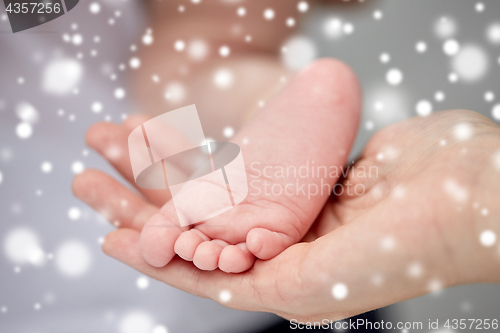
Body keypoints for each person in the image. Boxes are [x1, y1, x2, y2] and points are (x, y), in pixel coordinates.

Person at [72, 0, 500, 323]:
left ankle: (268, 107)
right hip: (311, 297)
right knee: (201, 49)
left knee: (202, 41)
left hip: (291, 294)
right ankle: (265, 99)